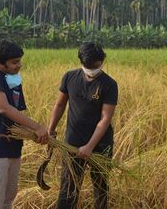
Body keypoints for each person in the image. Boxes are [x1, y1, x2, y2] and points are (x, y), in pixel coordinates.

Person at [0, 39, 48, 209]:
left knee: (8, 201)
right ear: (1, 63)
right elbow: (4, 108)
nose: (19, 65)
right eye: (14, 62)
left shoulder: (14, 80)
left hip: (12, 148)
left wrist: (36, 134)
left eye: (19, 61)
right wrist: (36, 127)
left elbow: (17, 114)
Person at [48, 42, 118, 209]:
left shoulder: (109, 84)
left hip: (100, 145)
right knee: (68, 187)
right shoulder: (70, 77)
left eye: (97, 65)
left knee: (100, 187)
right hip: (72, 142)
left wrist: (89, 146)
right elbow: (59, 105)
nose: (93, 69)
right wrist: (50, 130)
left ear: (102, 61)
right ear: (81, 62)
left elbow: (105, 118)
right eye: (89, 66)